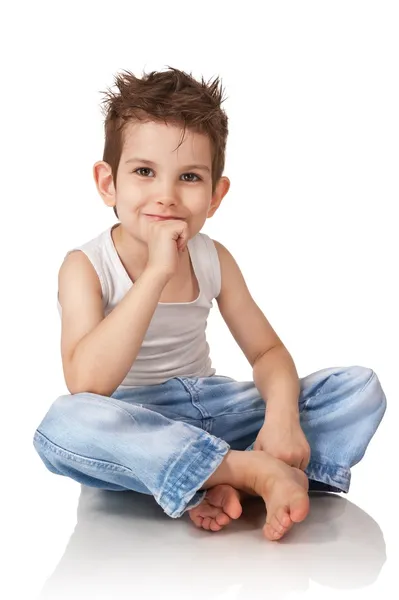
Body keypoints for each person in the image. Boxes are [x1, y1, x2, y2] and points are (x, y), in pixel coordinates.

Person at [33, 67, 387, 542]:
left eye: (189, 177)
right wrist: (157, 272)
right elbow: (87, 382)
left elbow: (267, 353)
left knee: (359, 388)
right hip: (135, 419)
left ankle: (225, 471)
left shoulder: (213, 257)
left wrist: (282, 417)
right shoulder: (84, 266)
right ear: (107, 183)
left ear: (216, 195)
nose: (166, 196)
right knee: (64, 424)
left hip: (213, 406)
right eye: (144, 172)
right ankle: (246, 471)